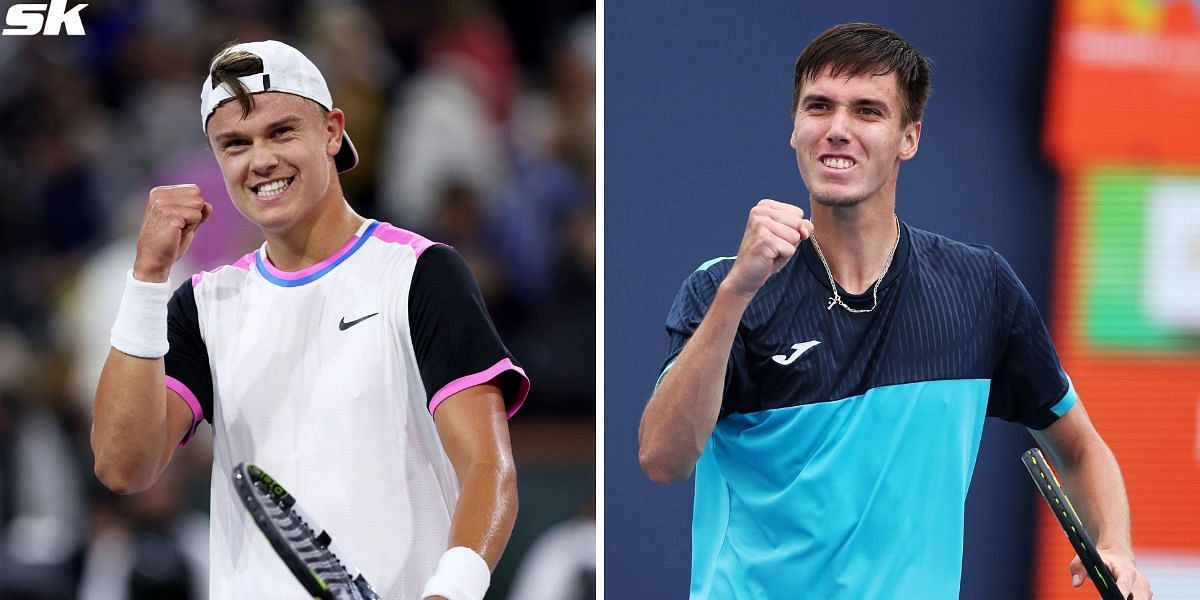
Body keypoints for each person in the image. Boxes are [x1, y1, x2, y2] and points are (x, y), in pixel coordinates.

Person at [637, 23, 1152, 599]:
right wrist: (738, 292)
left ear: (909, 137)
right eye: (819, 107)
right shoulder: (721, 289)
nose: (837, 130)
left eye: (867, 112)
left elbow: (1080, 448)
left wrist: (1115, 545)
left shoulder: (980, 288)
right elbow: (663, 458)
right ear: (794, 129)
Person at [90, 40, 529, 600]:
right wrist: (148, 274)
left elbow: (490, 470)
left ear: (331, 131)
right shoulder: (202, 304)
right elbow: (123, 465)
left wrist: (449, 593)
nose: (261, 160)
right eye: (235, 144)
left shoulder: (421, 274)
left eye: (281, 132)